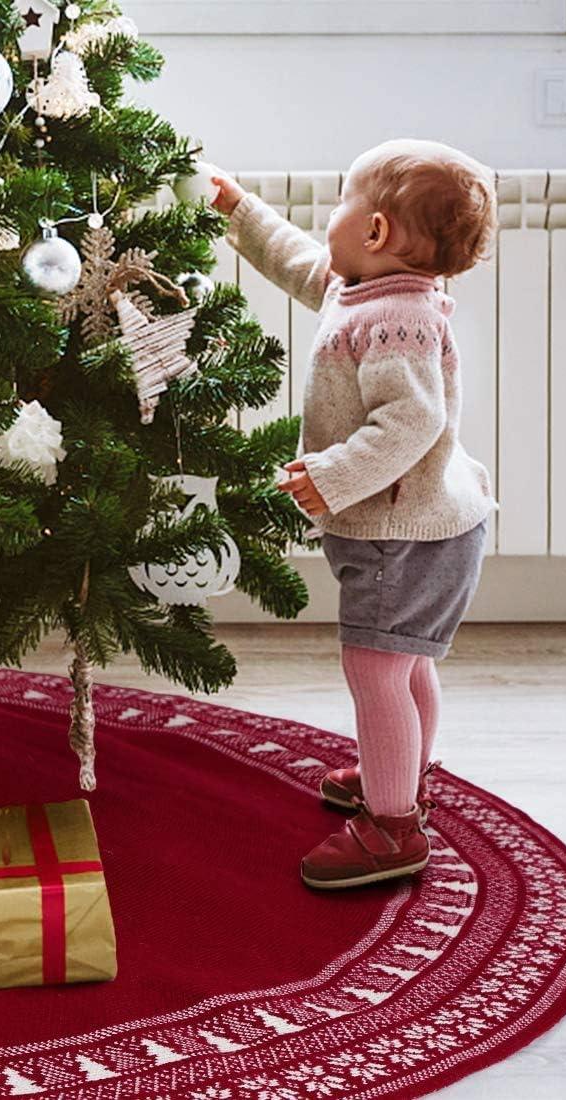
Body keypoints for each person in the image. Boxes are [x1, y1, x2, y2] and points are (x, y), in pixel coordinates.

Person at [212, 139, 499, 889]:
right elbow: (303, 264)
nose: (328, 219)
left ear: (375, 233)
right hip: (432, 525)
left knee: (375, 666)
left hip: (402, 536)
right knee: (405, 664)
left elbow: (412, 422)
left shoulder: (399, 316)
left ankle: (394, 825)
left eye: (339, 202)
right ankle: (399, 775)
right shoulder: (361, 291)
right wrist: (239, 211)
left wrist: (333, 475)